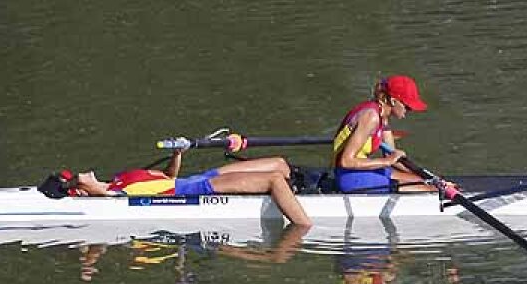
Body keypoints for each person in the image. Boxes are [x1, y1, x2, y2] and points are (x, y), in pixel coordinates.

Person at [42, 147, 313, 226]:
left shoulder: (119, 179)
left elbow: (166, 176)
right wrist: (72, 186)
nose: (80, 173)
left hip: (194, 177)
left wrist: (177, 155)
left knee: (279, 164)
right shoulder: (114, 194)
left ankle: (304, 189)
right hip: (196, 190)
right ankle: (304, 227)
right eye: (76, 178)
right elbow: (99, 194)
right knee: (274, 179)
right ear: (82, 191)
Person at [333, 75, 435, 193]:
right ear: (393, 101)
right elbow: (346, 161)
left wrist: (429, 177)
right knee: (429, 189)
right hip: (350, 177)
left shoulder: (383, 116)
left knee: (425, 182)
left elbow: (391, 156)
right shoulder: (371, 117)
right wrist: (387, 161)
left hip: (361, 171)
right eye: (407, 106)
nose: (409, 111)